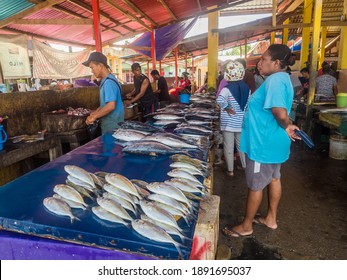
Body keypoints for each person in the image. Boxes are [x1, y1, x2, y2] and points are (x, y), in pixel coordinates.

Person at [222, 44, 300, 237]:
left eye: (264, 59)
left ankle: (246, 226)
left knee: (255, 185)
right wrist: (286, 125)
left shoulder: (274, 81)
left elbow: (279, 112)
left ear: (275, 63)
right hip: (274, 143)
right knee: (274, 178)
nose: (260, 63)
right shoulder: (283, 79)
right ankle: (270, 219)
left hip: (263, 144)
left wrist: (287, 124)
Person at [216, 61, 250, 177]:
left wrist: (227, 107)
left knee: (228, 146)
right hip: (241, 123)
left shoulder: (227, 89)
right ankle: (245, 166)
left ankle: (230, 170)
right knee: (241, 146)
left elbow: (219, 100)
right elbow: (248, 105)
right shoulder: (247, 88)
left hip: (228, 123)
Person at [83, 52, 124, 134]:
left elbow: (111, 106)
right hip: (113, 125)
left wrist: (94, 116)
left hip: (112, 127)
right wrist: (96, 112)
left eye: (92, 67)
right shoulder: (109, 80)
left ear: (100, 65)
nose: (92, 71)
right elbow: (105, 104)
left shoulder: (108, 82)